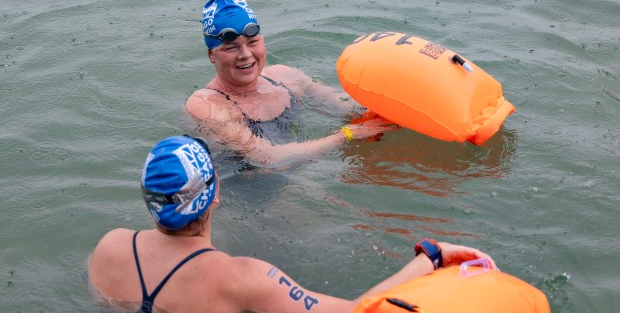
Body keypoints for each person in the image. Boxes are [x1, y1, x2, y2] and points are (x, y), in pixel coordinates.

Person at [88, 135, 498, 313]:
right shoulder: (242, 277)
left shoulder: (110, 248)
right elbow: (357, 311)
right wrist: (432, 254)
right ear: (215, 194)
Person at [185, 0, 394, 166]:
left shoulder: (286, 77)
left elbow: (342, 106)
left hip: (294, 174)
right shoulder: (208, 106)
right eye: (231, 48)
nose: (245, 54)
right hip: (245, 193)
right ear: (211, 56)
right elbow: (264, 158)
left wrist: (390, 100)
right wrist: (344, 135)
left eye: (253, 42)